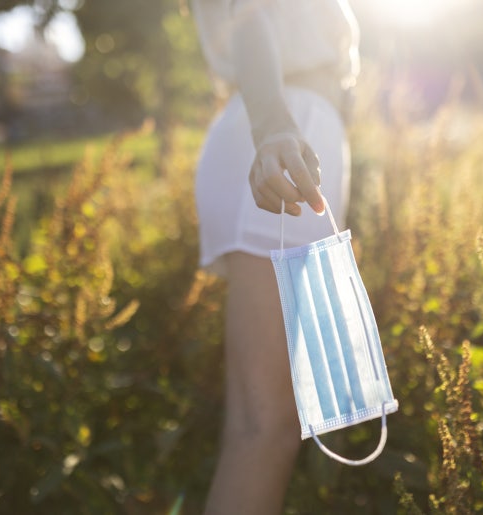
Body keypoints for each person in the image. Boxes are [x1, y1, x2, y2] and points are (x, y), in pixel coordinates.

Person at [191, 0, 360, 513]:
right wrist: (274, 128)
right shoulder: (285, 120)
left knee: (268, 422)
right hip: (286, 131)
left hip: (296, 129)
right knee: (263, 426)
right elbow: (248, 18)